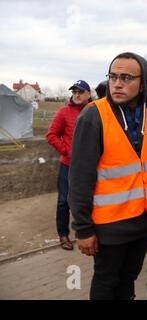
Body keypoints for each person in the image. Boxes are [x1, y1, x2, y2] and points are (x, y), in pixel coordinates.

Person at [68, 52, 147, 300]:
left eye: (126, 77)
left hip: (142, 221)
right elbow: (79, 179)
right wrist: (83, 229)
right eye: (113, 76)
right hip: (107, 226)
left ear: (143, 83)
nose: (117, 83)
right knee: (106, 281)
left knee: (128, 279)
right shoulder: (93, 116)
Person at [46, 80, 91, 250]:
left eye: (80, 92)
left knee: (87, 200)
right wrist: (67, 151)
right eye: (74, 92)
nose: (77, 95)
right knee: (64, 201)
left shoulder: (94, 111)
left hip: (89, 167)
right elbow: (51, 135)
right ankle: (63, 235)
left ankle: (87, 232)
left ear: (88, 94)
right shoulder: (64, 112)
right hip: (68, 165)